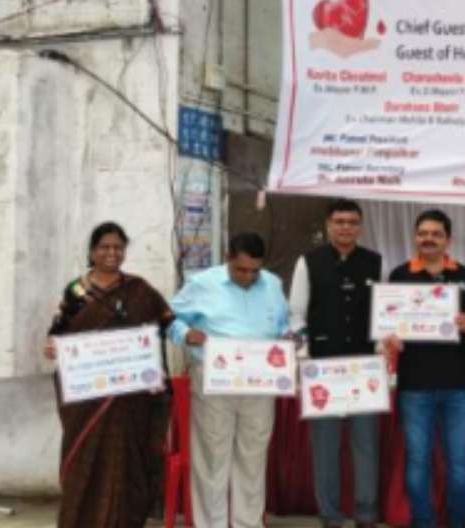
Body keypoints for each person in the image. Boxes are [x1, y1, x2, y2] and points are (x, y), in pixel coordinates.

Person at [45, 222, 175, 528]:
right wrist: (52, 346)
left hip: (131, 399)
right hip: (85, 401)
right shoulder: (76, 292)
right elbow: (57, 332)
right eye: (104, 247)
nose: (111, 253)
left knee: (129, 462)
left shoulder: (140, 290)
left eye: (118, 247)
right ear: (92, 252)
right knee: (84, 460)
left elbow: (166, 324)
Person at [168, 234, 290, 528]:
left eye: (254, 271)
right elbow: (168, 318)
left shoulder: (272, 285)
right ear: (227, 257)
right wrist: (185, 334)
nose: (248, 277)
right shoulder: (202, 284)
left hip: (260, 381)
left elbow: (283, 324)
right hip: (215, 381)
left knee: (253, 456)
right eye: (241, 270)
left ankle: (248, 523)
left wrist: (288, 336)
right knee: (213, 455)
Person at [381, 209, 465, 528]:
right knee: (418, 460)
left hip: (458, 384)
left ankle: (459, 522)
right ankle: (423, 522)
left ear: (448, 240)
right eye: (423, 233)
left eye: (436, 234)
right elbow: (387, 324)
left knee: (459, 460)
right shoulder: (399, 275)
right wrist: (389, 337)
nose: (429, 239)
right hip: (414, 385)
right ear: (415, 237)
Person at [289, 199, 384, 528]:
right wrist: (303, 357)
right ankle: (329, 515)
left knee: (366, 444)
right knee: (325, 446)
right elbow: (297, 314)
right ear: (328, 225)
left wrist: (382, 348)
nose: (346, 227)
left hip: (365, 366)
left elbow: (384, 313)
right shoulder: (308, 261)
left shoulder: (376, 262)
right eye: (339, 221)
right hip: (323, 365)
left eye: (352, 222)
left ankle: (366, 513)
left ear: (360, 227)